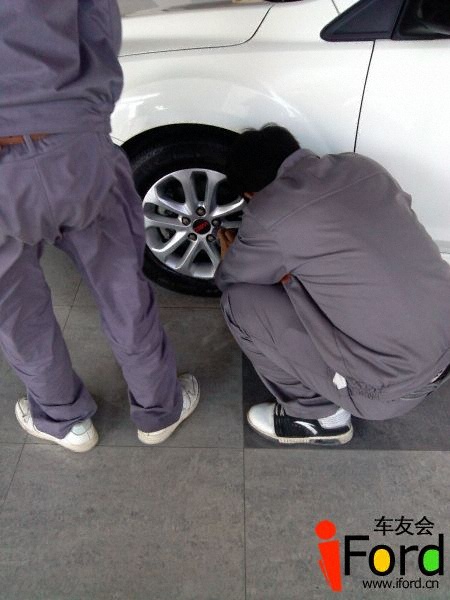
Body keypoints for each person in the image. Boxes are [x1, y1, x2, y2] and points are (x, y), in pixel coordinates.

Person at [0, 1, 199, 453]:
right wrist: (87, 116)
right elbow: (97, 24)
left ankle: (65, 420)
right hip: (70, 142)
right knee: (120, 286)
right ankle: (158, 410)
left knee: (15, 310)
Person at [216, 125, 450, 445]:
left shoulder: (269, 212)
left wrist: (233, 256)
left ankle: (320, 418)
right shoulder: (364, 167)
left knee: (238, 301)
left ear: (251, 195)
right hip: (444, 342)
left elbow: (230, 276)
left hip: (389, 392)